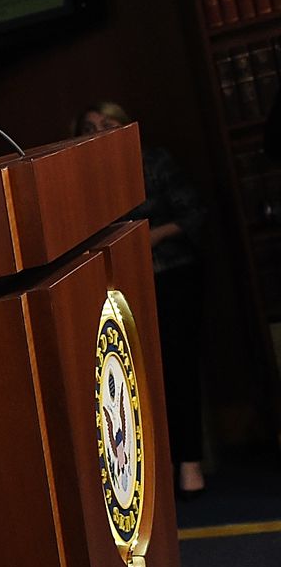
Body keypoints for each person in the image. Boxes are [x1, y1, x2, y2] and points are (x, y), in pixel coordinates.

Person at [76, 102, 209, 496]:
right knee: (133, 378)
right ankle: (150, 472)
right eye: (89, 126)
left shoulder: (152, 161)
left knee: (179, 369)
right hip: (114, 287)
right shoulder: (78, 176)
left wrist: (151, 236)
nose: (98, 131)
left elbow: (194, 213)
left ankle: (189, 462)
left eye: (108, 124)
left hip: (169, 275)